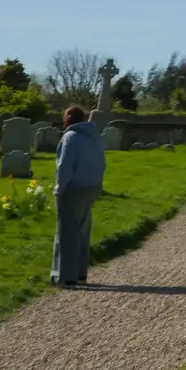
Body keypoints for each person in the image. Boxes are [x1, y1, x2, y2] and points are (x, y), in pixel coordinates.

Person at [51, 105, 105, 287]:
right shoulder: (93, 137)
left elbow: (64, 166)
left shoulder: (70, 137)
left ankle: (66, 276)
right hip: (91, 187)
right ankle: (81, 272)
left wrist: (59, 188)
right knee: (82, 231)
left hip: (73, 188)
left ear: (67, 119)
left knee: (66, 232)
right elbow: (101, 162)